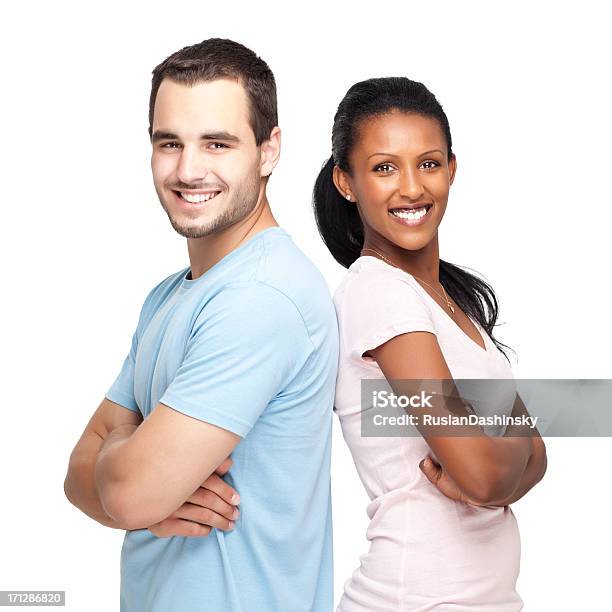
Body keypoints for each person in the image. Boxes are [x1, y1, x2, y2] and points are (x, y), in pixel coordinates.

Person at [64, 38, 338, 612]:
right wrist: (132, 485)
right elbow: (77, 477)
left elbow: (125, 490)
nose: (188, 170)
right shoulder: (169, 297)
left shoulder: (261, 297)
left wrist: (122, 467)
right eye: (170, 143)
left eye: (217, 143)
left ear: (269, 150)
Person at [313, 77, 547, 611]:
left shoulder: (451, 302)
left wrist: (496, 461)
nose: (413, 188)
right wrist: (497, 459)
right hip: (414, 598)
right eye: (384, 167)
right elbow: (490, 470)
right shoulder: (378, 292)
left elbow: (534, 456)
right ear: (346, 182)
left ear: (452, 169)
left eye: (429, 163)